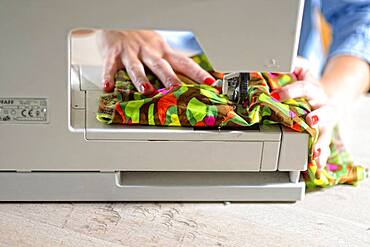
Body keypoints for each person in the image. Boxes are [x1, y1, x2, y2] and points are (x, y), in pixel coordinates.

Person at [96, 0, 369, 171]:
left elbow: (360, 14)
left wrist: (332, 95)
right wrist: (113, 17)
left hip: (291, 72)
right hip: (154, 63)